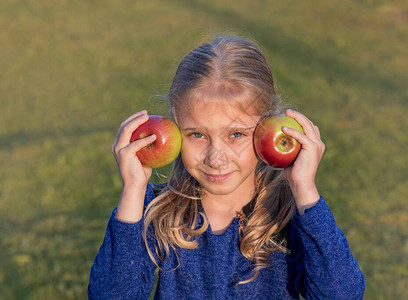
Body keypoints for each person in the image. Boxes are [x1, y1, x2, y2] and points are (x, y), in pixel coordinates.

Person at [88, 36, 365, 299]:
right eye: (197, 134)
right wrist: (133, 191)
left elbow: (342, 294)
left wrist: (305, 189)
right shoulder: (158, 210)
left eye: (236, 135)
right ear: (174, 129)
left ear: (267, 129)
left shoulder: (291, 214)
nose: (215, 158)